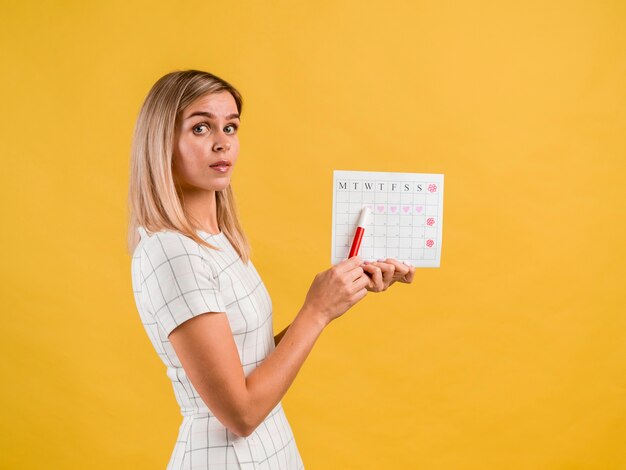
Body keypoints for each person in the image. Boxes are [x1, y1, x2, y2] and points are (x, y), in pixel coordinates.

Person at [127, 69, 416, 470]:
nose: (221, 143)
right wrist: (315, 312)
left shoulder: (214, 241)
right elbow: (241, 413)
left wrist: (339, 294)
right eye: (200, 128)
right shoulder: (173, 253)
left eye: (230, 127)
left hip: (266, 454)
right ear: (162, 143)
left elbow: (249, 363)